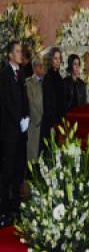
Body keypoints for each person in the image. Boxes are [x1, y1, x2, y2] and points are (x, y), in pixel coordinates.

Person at [0, 41, 30, 226]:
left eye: (21, 51)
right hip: (10, 132)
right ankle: (3, 211)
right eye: (17, 51)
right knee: (7, 173)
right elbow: (7, 102)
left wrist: (26, 116)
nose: (20, 54)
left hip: (21, 132)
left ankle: (16, 209)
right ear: (10, 55)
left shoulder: (21, 74)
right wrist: (18, 118)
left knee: (19, 171)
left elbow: (23, 99)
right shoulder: (4, 75)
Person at [41, 47, 65, 146]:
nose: (58, 61)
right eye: (55, 58)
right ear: (51, 60)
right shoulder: (47, 78)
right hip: (51, 122)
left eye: (59, 58)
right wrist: (52, 124)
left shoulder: (60, 78)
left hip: (59, 121)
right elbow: (47, 102)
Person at [25, 57, 45, 163]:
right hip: (35, 124)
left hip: (45, 124)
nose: (42, 68)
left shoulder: (46, 83)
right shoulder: (29, 83)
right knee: (33, 157)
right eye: (39, 65)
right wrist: (40, 118)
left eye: (43, 65)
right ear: (34, 68)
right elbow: (31, 103)